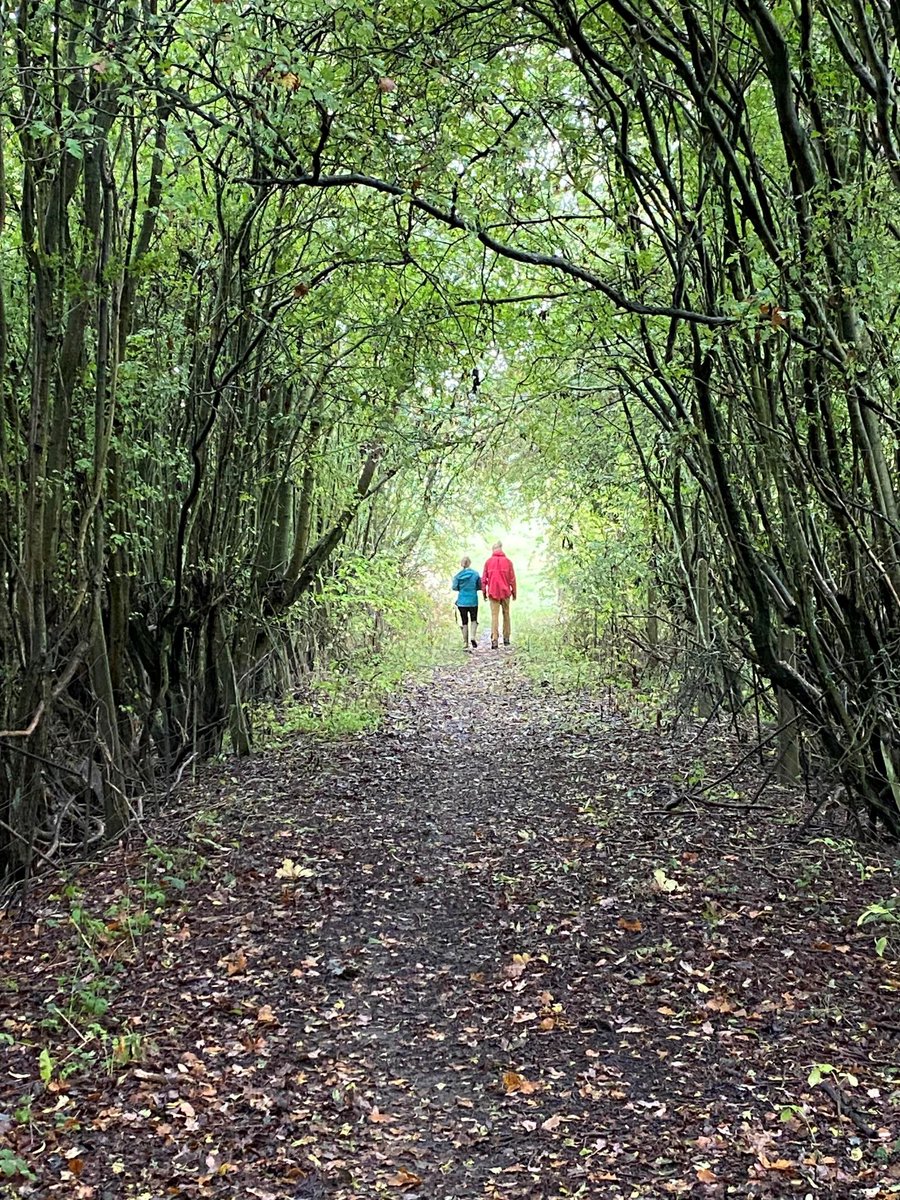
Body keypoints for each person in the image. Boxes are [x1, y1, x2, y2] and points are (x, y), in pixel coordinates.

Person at [482, 540, 517, 649]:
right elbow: (512, 579)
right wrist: (514, 592)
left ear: (493, 550)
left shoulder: (488, 562)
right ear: (501, 549)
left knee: (494, 616)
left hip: (493, 593)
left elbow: (484, 579)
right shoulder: (508, 562)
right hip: (506, 592)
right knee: (506, 614)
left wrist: (484, 592)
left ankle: (494, 640)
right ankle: (506, 638)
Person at [451, 556, 482, 651]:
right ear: (470, 563)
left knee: (464, 621)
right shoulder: (475, 574)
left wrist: (462, 588)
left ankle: (465, 643)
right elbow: (480, 586)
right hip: (473, 600)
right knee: (473, 619)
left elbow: (454, 587)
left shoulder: (458, 576)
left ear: (462, 564)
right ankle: (472, 636)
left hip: (462, 602)